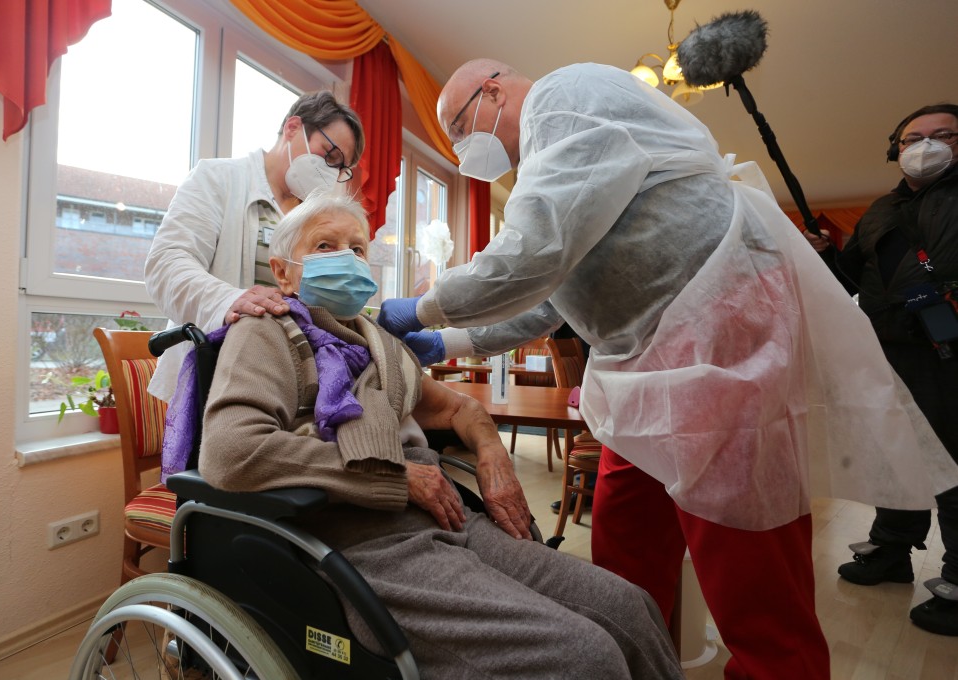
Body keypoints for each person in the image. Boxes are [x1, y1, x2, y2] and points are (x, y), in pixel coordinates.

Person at [377, 59, 958, 679]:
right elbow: (551, 296)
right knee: (625, 552)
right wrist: (449, 339)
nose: (466, 150)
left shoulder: (566, 97)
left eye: (461, 129)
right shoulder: (555, 167)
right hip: (648, 375)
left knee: (749, 570)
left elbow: (534, 252)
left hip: (715, 346)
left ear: (491, 89)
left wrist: (424, 305)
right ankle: (641, 663)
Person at [195, 192, 684, 680]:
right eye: (326, 246)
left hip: (447, 520)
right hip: (365, 541)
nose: (347, 258)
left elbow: (460, 409)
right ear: (283, 271)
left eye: (358, 248)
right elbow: (230, 450)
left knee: (630, 609)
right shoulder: (266, 333)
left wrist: (494, 457)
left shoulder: (376, 342)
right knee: (584, 656)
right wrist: (398, 477)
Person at [804, 103, 958, 636]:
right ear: (897, 148)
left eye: (942, 135)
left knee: (952, 462)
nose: (926, 145)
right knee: (894, 454)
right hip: (887, 349)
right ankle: (892, 550)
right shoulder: (878, 210)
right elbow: (850, 276)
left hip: (949, 353)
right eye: (914, 137)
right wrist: (824, 253)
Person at [144, 90, 364, 402]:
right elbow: (165, 265)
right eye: (328, 154)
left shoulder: (316, 216)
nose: (330, 171)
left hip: (292, 381)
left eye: (339, 167)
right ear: (292, 128)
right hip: (221, 378)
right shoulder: (219, 179)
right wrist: (229, 300)